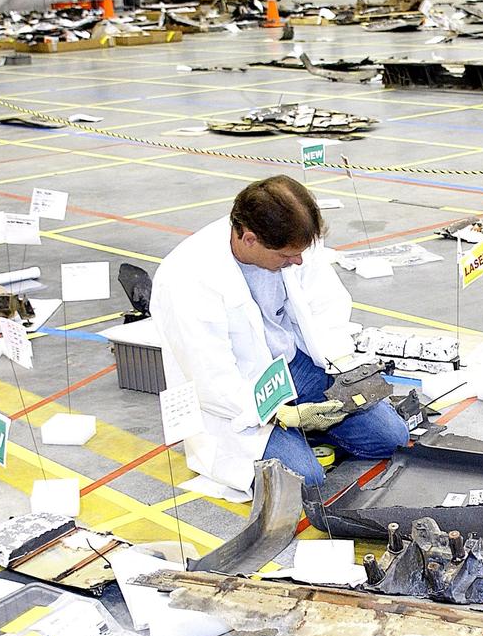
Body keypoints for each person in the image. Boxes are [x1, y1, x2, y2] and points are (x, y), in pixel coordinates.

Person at [150, 176, 409, 495]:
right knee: (304, 481)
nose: (297, 261)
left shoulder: (293, 242)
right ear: (249, 239)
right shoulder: (187, 278)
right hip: (240, 396)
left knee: (392, 438)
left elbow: (326, 305)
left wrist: (339, 372)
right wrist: (278, 414)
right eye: (287, 257)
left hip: (293, 366)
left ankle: (306, 433)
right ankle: (294, 436)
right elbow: (210, 381)